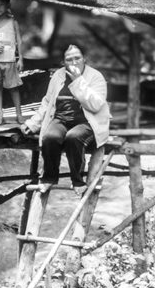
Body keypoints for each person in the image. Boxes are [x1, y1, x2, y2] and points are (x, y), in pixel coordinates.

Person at [21, 44, 110, 192]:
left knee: (73, 137)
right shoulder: (58, 75)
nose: (74, 62)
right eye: (69, 59)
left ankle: (77, 181)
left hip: (88, 121)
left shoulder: (96, 76)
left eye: (77, 58)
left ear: (84, 59)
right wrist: (33, 123)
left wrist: (78, 80)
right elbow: (47, 101)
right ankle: (49, 178)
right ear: (63, 62)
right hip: (61, 118)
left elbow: (95, 105)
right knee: (50, 137)